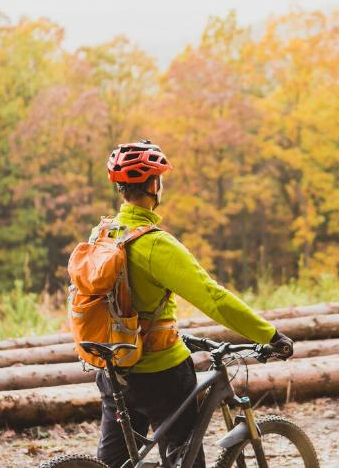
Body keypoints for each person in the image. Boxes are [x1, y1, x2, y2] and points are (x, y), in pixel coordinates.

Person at [96, 139, 294, 468]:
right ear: (154, 184)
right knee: (182, 458)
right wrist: (268, 335)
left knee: (114, 463)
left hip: (112, 366)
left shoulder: (103, 234)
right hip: (161, 373)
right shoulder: (155, 244)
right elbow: (213, 297)